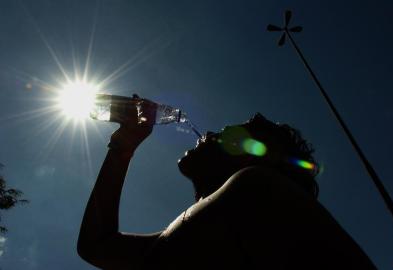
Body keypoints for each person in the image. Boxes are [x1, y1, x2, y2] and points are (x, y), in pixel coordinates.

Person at [77, 99, 377, 269]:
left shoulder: (256, 187)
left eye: (226, 135)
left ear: (253, 158)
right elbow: (97, 246)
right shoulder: (220, 227)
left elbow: (101, 248)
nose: (206, 133)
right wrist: (123, 147)